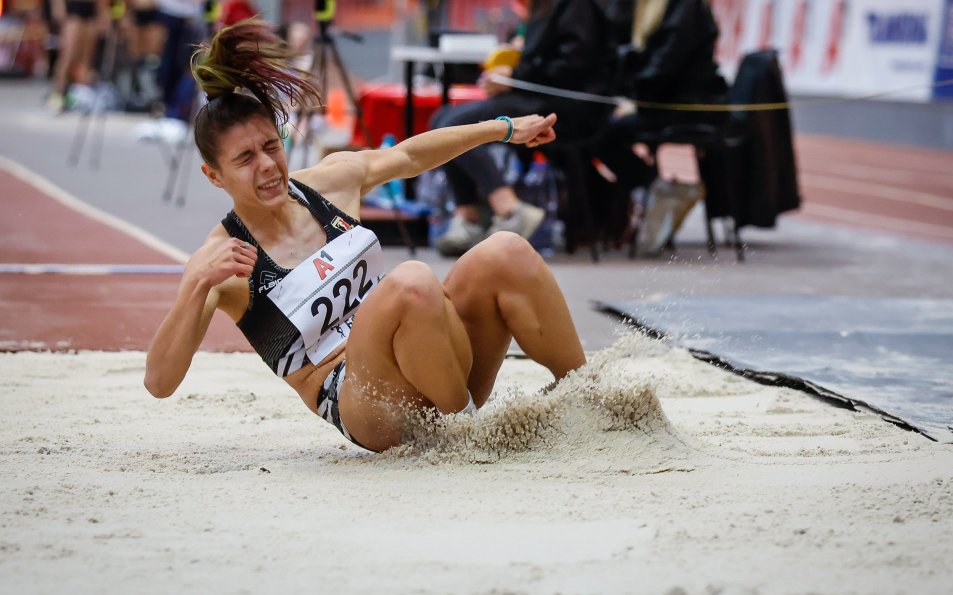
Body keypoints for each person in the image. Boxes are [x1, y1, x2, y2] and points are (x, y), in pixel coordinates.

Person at [143, 20, 587, 454]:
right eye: (244, 159)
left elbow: (409, 154)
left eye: (270, 146)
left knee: (504, 250)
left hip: (435, 360)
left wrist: (504, 129)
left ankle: (588, 396)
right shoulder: (223, 259)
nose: (265, 166)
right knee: (410, 281)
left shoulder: (327, 183)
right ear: (214, 176)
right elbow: (159, 383)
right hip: (366, 403)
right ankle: (468, 434)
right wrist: (195, 287)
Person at [429, 0, 617, 257]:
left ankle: (509, 209)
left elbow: (572, 68)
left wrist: (515, 75)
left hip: (564, 106)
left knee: (454, 125)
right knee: (441, 118)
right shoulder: (543, 7)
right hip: (534, 95)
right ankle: (469, 215)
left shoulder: (576, 6)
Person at [596, 0, 728, 253]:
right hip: (665, 100)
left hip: (688, 107)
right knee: (602, 127)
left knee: (603, 133)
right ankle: (653, 190)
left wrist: (634, 100)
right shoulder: (651, 8)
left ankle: (655, 188)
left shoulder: (686, 8)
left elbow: (665, 66)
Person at [48, 0, 108, 111]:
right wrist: (58, 7)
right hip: (74, 9)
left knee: (86, 58)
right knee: (68, 55)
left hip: (91, 10)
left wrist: (103, 15)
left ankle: (79, 95)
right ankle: (58, 93)